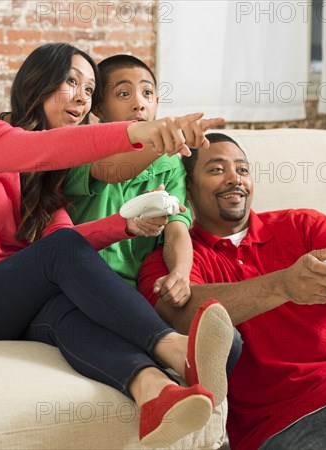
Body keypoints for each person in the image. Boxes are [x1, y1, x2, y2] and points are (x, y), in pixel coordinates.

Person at [0, 43, 234, 448]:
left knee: (64, 311)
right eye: (70, 82)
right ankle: (173, 346)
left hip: (4, 303)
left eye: (89, 88)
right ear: (35, 83)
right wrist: (141, 132)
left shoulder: (46, 180)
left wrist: (125, 226)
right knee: (60, 252)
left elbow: (68, 241)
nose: (82, 97)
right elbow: (40, 150)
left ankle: (155, 394)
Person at [138, 133, 326, 449]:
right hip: (290, 426)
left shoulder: (303, 224)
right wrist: (283, 285)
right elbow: (181, 316)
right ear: (189, 189)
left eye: (242, 169)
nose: (234, 179)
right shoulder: (170, 262)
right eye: (216, 170)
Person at [63, 54, 224, 306]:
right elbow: (114, 170)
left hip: (133, 288)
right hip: (77, 278)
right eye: (124, 94)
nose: (140, 104)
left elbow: (177, 226)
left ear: (157, 102)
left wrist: (181, 274)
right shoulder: (82, 144)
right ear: (99, 107)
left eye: (147, 93)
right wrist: (166, 140)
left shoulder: (170, 162)